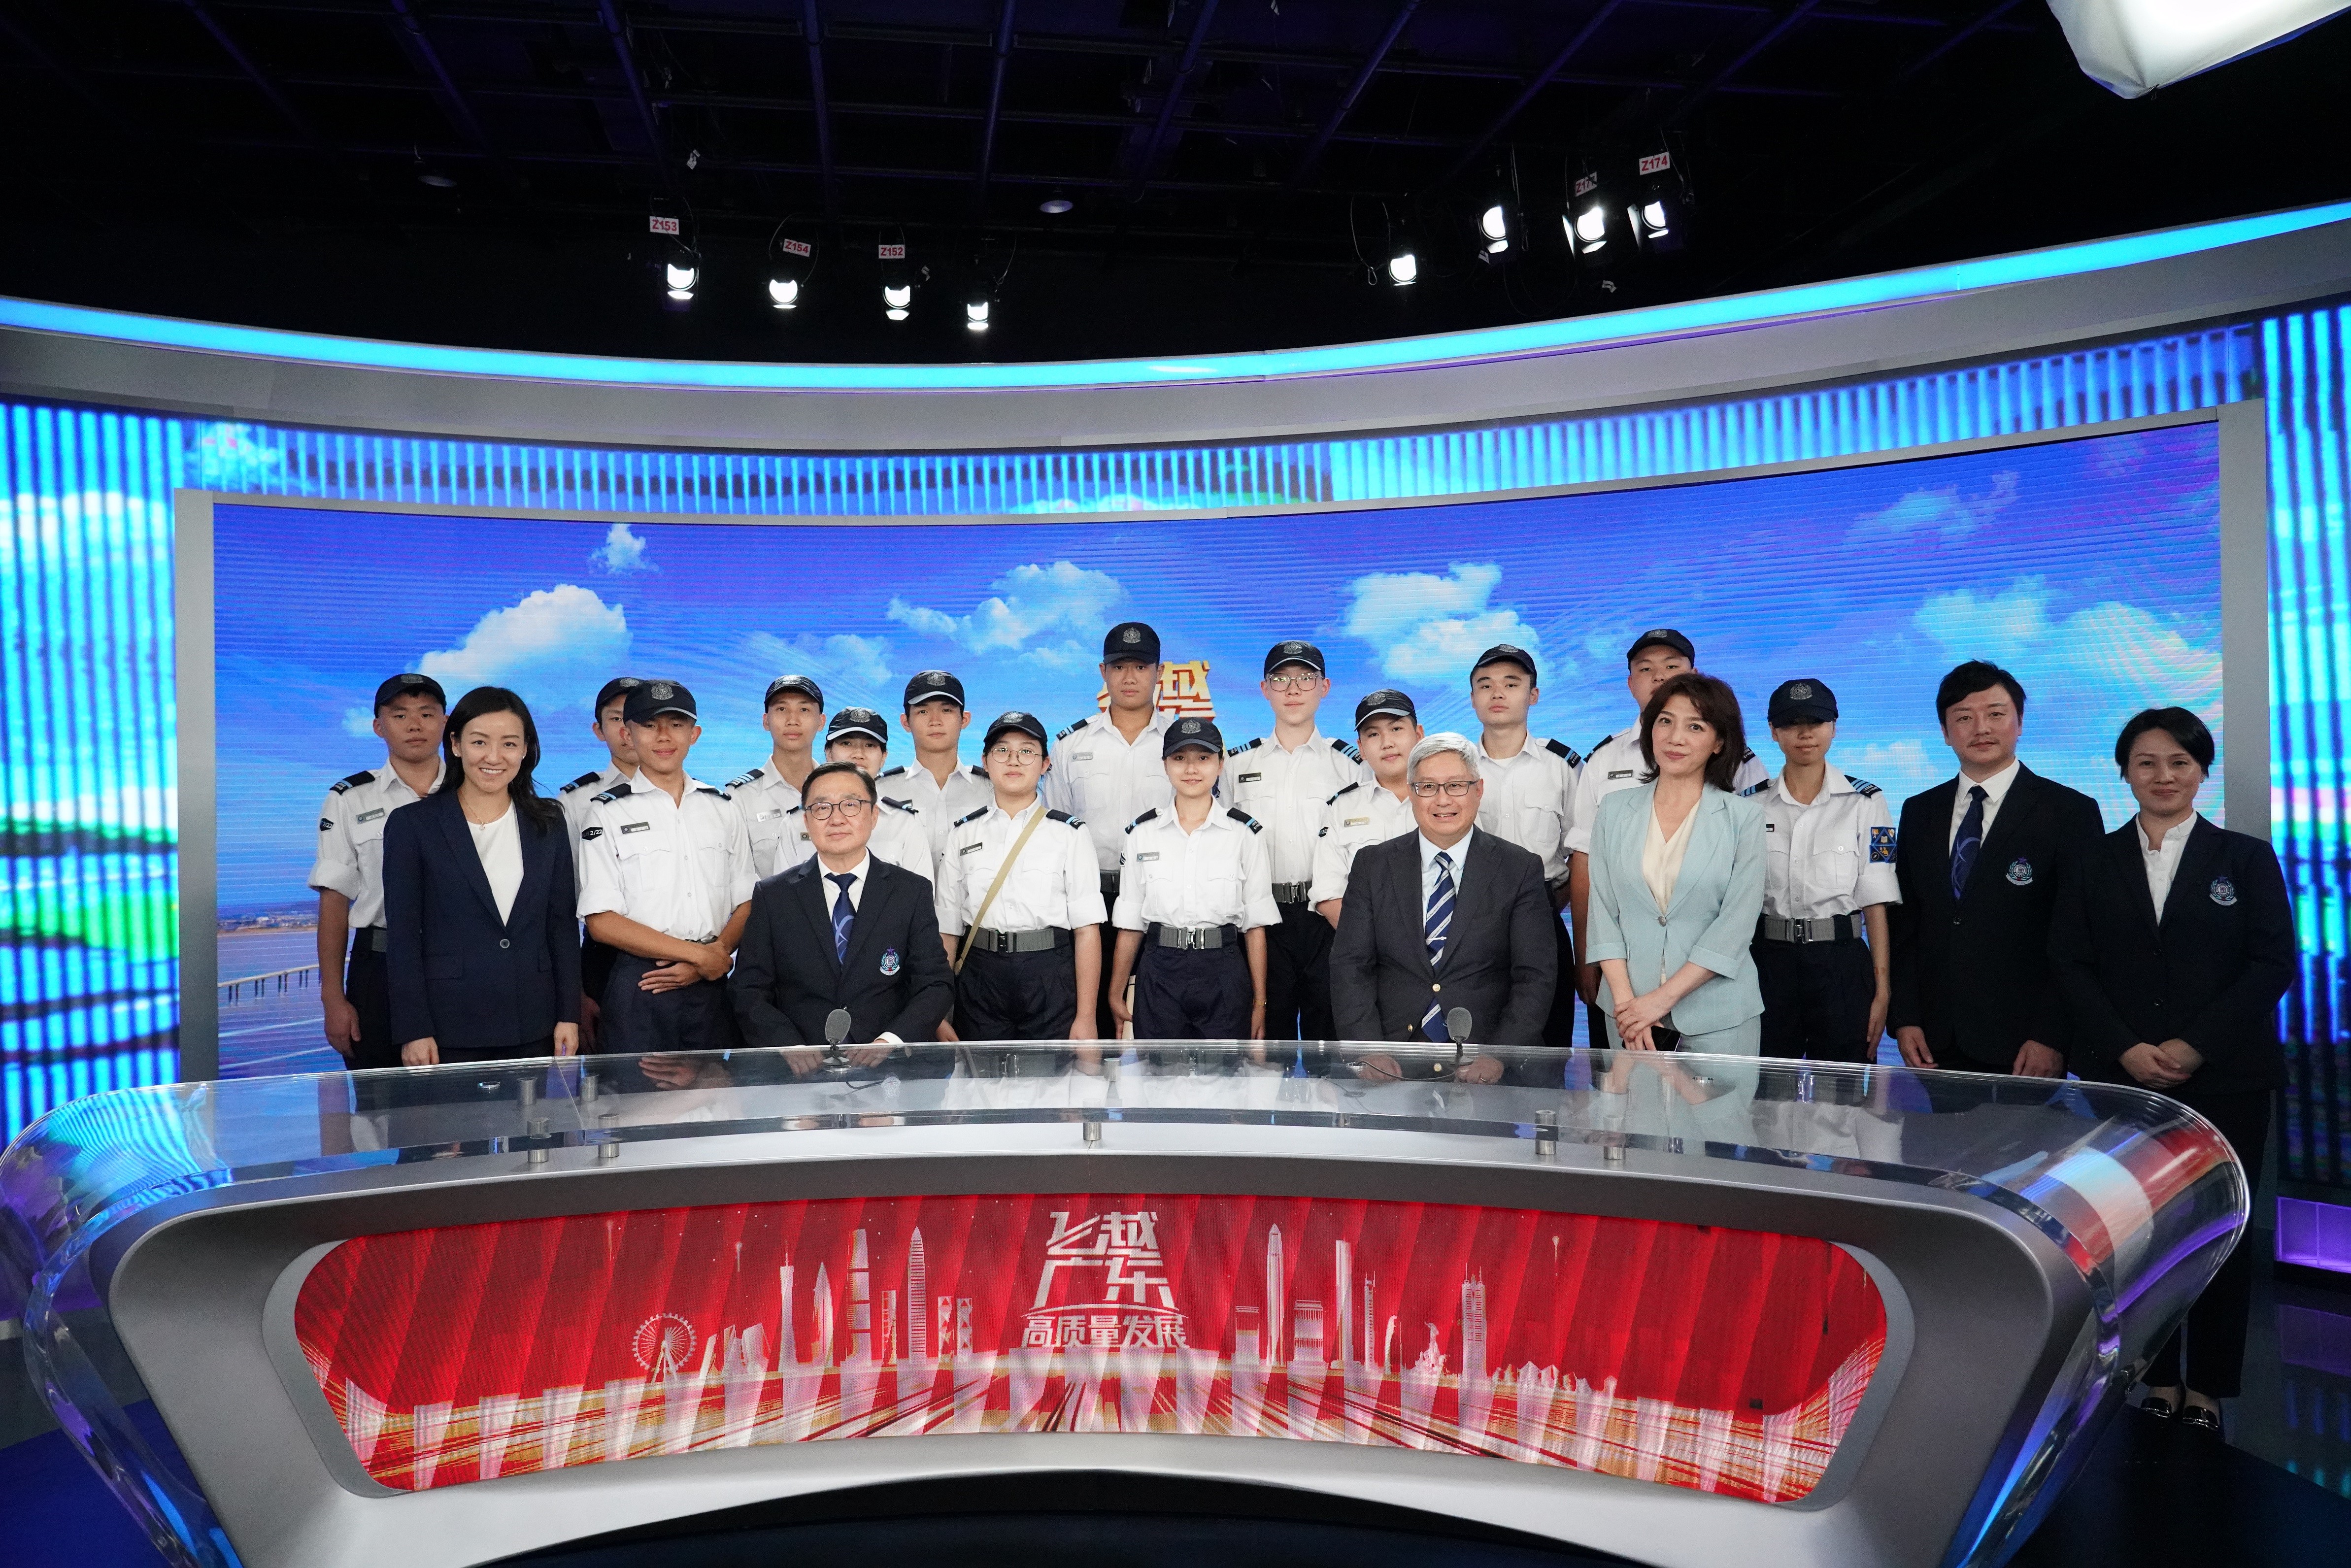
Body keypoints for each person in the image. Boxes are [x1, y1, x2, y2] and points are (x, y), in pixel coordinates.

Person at [2051, 707, 2294, 1436]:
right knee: (2140, 1231)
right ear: (2124, 771)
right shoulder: (2093, 860)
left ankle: (2211, 1383)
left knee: (2220, 1226)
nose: (2163, 776)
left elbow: (2271, 963)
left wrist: (2195, 1045)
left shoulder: (2246, 858)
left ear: (2202, 771)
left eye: (2179, 763)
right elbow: (2070, 962)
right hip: (2121, 1079)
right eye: (2148, 762)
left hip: (2227, 1076)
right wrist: (2126, 1047)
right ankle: (2154, 1373)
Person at [1889, 661, 2104, 1076]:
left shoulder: (2069, 812)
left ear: (2020, 722)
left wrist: (2052, 1035)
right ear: (1945, 732)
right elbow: (1907, 924)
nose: (1981, 728)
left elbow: (2080, 936)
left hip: (2026, 1042)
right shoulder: (1919, 811)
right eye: (1964, 718)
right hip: (1936, 1039)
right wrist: (1905, 1017)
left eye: (1995, 714)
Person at [1568, 630, 1767, 1045]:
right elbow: (1604, 914)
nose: (1676, 738)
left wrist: (1658, 1002)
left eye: (1695, 726)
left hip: (1719, 1015)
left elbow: (1734, 927)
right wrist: (1627, 1005)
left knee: (1717, 1113)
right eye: (1666, 722)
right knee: (1630, 1112)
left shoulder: (1743, 818)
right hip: (1626, 1013)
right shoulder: (1615, 810)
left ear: (1719, 742)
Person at [1328, 733, 1556, 1073]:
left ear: (1478, 791)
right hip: (1393, 1056)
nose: (1442, 799)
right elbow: (1350, 966)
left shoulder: (1519, 868)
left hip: (1483, 1057)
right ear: (1412, 794)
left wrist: (1499, 1055)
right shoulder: (1374, 864)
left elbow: (1535, 975)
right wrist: (1369, 1051)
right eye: (1428, 787)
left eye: (1456, 786)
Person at [382, 686, 581, 1067]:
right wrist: (413, 1028)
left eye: (509, 743)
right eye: (479, 742)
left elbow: (561, 925)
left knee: (536, 1126)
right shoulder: (413, 824)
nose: (494, 757)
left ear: (526, 750)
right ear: (456, 744)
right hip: (448, 1026)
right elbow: (404, 936)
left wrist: (568, 1013)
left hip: (534, 1022)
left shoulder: (549, 821)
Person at [730, 759, 955, 1076]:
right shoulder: (774, 895)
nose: (836, 818)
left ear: (874, 815)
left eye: (851, 805)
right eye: (821, 808)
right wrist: (789, 1046)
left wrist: (889, 1041)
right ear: (806, 820)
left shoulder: (911, 892)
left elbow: (935, 983)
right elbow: (748, 989)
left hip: (887, 1068)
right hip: (801, 1070)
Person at [576, 680, 756, 1055]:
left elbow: (747, 901)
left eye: (676, 724)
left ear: (695, 734)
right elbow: (601, 921)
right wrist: (696, 956)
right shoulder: (606, 812)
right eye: (649, 724)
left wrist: (714, 954)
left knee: (715, 1101)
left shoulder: (723, 806)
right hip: (643, 983)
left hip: (712, 979)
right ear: (628, 733)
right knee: (638, 1105)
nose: (663, 736)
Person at [1745, 679, 1901, 1062]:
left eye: (1815, 721)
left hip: (1842, 964)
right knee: (1766, 1094)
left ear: (1833, 727)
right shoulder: (1748, 806)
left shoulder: (1866, 801)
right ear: (1773, 732)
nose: (1805, 733)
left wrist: (1882, 990)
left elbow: (1876, 899)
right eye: (1791, 723)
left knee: (1844, 1103)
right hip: (1769, 962)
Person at [937, 710, 1107, 1055]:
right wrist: (938, 1009)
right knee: (980, 1088)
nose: (1014, 760)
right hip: (980, 975)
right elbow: (948, 929)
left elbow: (1087, 930)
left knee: (1051, 1090)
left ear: (1045, 764)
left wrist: (1087, 1015)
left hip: (1049, 974)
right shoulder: (962, 833)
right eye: (1002, 751)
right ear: (985, 761)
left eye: (1027, 751)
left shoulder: (1070, 834)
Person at [1108, 717, 1280, 1045]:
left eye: (1203, 758)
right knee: (1157, 1080)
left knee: (1225, 1082)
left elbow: (1255, 926)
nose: (1191, 769)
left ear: (1220, 763)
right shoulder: (1141, 834)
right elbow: (1130, 923)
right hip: (1160, 968)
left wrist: (1259, 1001)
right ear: (1165, 765)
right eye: (1179, 758)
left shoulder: (1245, 834)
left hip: (1223, 969)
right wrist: (1116, 992)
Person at [1224, 641, 1365, 1041]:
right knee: (1266, 1045)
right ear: (1264, 689)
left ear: (1325, 687)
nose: (1293, 689)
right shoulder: (1236, 765)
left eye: (1305, 678)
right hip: (1262, 923)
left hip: (1329, 920)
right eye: (1281, 679)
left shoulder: (1351, 766)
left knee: (1334, 1042)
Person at [310, 672, 447, 1070]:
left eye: (427, 713)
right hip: (380, 968)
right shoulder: (349, 799)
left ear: (446, 722)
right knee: (378, 1114)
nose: (415, 724)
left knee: (465, 1108)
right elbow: (334, 902)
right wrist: (333, 999)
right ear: (378, 726)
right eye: (400, 714)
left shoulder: (473, 792)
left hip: (459, 964)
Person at [1047, 622, 1174, 1036]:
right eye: (1120, 666)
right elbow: (1057, 829)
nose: (1130, 677)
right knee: (1090, 1021)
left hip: (1163, 900)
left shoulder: (1186, 742)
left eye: (1141, 666)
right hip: (1090, 902)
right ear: (1103, 672)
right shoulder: (1072, 744)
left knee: (1156, 1021)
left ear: (1159, 672)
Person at [1468, 643, 1583, 1049]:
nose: (1497, 693)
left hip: (1544, 916)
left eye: (1511, 684)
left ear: (1532, 695)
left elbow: (1581, 852)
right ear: (1473, 698)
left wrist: (1549, 904)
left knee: (1547, 1045)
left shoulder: (1563, 765)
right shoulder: (1456, 765)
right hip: (1470, 924)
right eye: (1486, 685)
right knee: (1477, 1045)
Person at [557, 675, 642, 1050]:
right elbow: (559, 905)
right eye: (616, 719)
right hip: (602, 959)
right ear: (598, 730)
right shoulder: (575, 802)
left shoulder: (702, 798)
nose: (628, 730)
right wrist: (573, 992)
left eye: (639, 717)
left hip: (682, 953)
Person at [773, 708, 934, 881]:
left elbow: (919, 898)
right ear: (828, 753)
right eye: (847, 744)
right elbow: (783, 896)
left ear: (883, 758)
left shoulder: (905, 824)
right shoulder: (796, 823)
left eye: (870, 745)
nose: (858, 754)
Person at [1311, 689, 1423, 930]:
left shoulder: (1450, 799)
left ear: (1419, 735)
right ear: (1361, 748)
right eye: (1374, 734)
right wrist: (1378, 945)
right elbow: (1328, 892)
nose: (1387, 743)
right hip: (1370, 953)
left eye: (1396, 729)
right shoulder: (1341, 808)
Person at [885, 668, 991, 865]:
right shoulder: (882, 792)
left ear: (965, 720)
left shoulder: (992, 790)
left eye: (947, 710)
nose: (935, 721)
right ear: (906, 722)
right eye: (923, 711)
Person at [729, 673, 826, 879]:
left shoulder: (838, 791)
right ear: (766, 721)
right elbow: (738, 877)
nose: (793, 720)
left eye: (804, 710)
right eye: (782, 709)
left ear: (821, 722)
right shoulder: (741, 796)